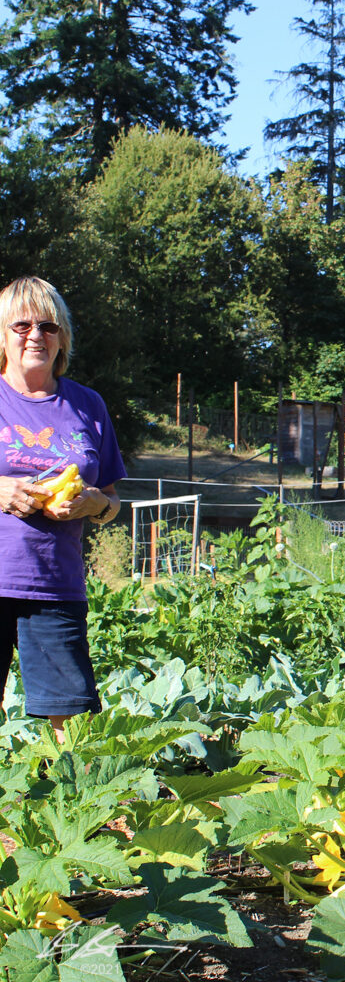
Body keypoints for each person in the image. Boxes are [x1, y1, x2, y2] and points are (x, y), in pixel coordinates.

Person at [0, 277, 125, 741]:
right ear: (3, 335)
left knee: (70, 716)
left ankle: (72, 807)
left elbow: (112, 500)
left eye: (48, 325)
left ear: (62, 338)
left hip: (55, 583)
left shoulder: (87, 405)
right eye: (22, 324)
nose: (36, 335)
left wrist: (92, 502)